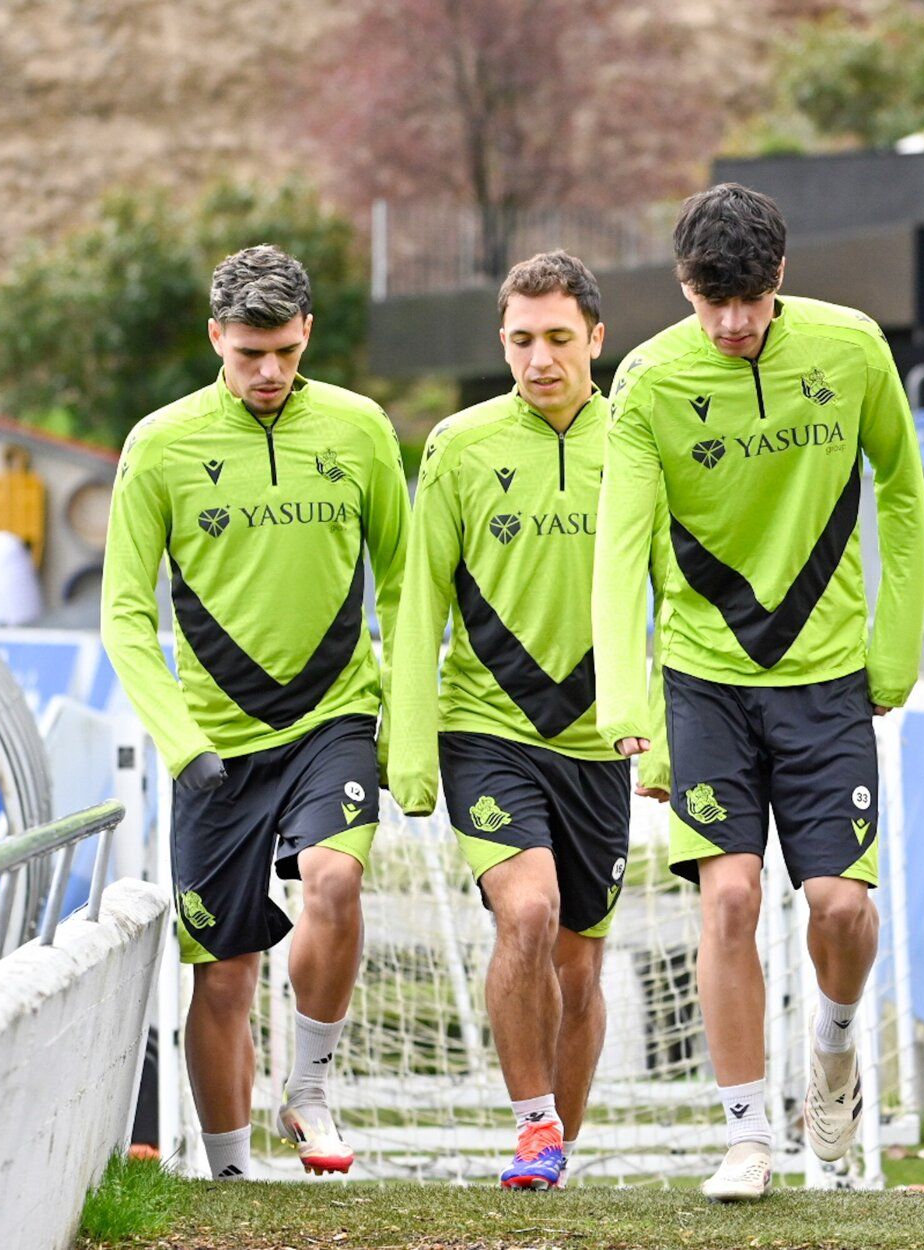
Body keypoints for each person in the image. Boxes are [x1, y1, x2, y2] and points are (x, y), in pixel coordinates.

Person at [591, 183, 924, 1202]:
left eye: (749, 298)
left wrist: (892, 650)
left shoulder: (853, 348)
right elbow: (619, 549)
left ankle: (830, 1048)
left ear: (780, 278)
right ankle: (744, 1133)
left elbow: (904, 492)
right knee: (728, 895)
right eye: (709, 300)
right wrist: (627, 702)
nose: (732, 323)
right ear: (684, 287)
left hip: (827, 680)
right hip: (703, 681)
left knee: (838, 906)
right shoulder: (646, 380)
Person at [102, 244, 408, 1180]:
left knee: (334, 883)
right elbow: (121, 612)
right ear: (215, 341)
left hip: (334, 722)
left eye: (281, 350)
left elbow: (401, 583)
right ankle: (233, 1178)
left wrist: (402, 718)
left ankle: (309, 1090)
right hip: (217, 748)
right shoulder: (160, 445)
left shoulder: (360, 430)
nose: (268, 372)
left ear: (307, 332)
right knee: (223, 975)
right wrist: (180, 739)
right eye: (247, 354)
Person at [390, 250, 666, 1190]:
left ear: (596, 338)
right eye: (519, 340)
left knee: (582, 967)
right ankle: (533, 1124)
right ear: (500, 343)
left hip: (599, 743)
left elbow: (674, 595)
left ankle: (557, 1155)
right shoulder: (459, 446)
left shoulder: (638, 439)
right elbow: (419, 600)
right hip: (488, 729)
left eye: (557, 338)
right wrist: (412, 740)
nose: (539, 359)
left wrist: (657, 726)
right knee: (531, 910)